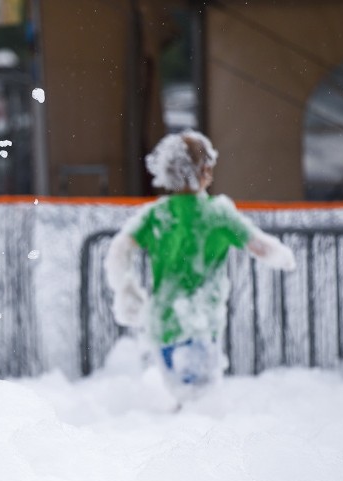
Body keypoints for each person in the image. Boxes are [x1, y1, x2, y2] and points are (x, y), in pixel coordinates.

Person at [104, 130, 296, 400]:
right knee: (198, 405)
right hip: (198, 323)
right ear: (205, 170)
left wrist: (124, 288)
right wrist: (285, 258)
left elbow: (119, 249)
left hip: (162, 324)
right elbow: (259, 246)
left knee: (179, 400)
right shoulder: (218, 214)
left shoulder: (156, 214)